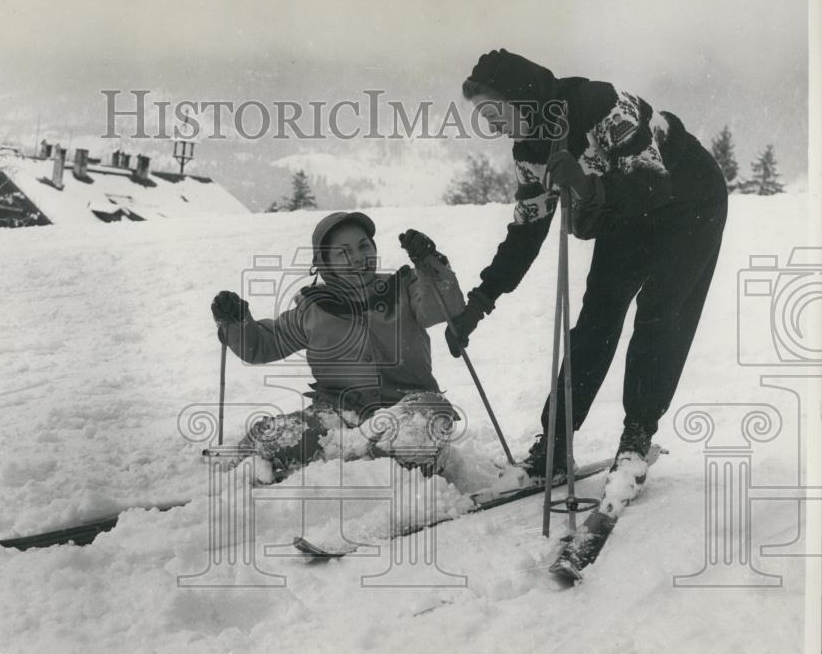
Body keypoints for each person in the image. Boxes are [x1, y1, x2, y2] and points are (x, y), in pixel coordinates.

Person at [447, 49, 728, 508]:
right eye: (483, 117)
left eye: (494, 111)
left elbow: (652, 183)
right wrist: (481, 300)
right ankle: (554, 445)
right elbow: (526, 231)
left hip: (687, 200)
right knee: (597, 317)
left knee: (661, 313)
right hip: (625, 214)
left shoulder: (595, 104)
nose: (491, 125)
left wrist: (584, 184)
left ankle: (635, 442)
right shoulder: (529, 152)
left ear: (521, 97)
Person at [210, 212, 512, 493]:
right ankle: (252, 465)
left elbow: (443, 307)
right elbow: (262, 344)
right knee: (274, 433)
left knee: (431, 412)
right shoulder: (313, 308)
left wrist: (429, 264)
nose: (357, 257)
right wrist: (236, 322)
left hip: (406, 405)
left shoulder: (403, 288)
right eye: (343, 252)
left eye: (364, 246)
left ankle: (363, 462)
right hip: (337, 414)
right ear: (324, 263)